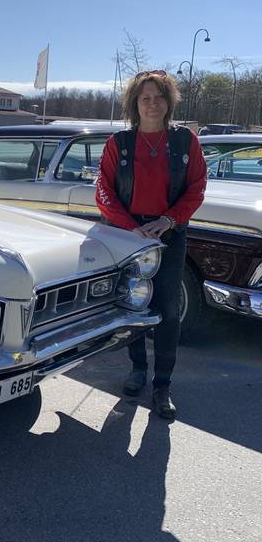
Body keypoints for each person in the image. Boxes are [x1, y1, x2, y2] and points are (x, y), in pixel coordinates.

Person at [96, 70, 207, 419]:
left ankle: (162, 386)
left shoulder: (185, 142)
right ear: (135, 103)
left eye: (159, 97)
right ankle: (137, 370)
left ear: (169, 101)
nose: (152, 103)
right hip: (130, 237)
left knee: (168, 310)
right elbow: (103, 192)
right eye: (145, 97)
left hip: (169, 234)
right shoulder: (119, 144)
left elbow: (197, 188)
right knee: (135, 305)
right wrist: (131, 227)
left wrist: (169, 220)